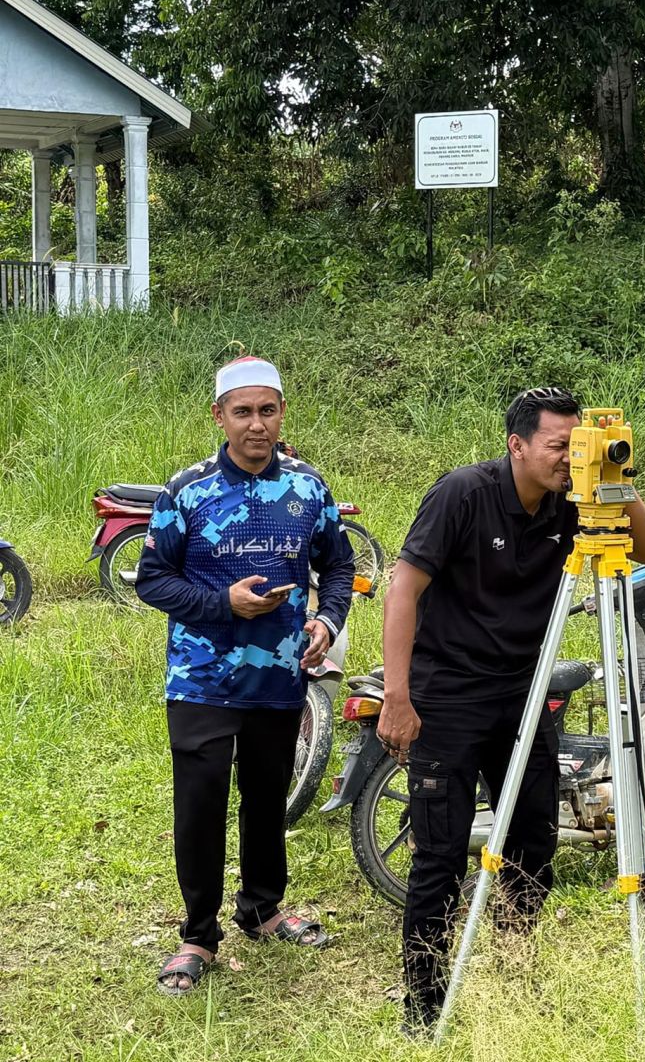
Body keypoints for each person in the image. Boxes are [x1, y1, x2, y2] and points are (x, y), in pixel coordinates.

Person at [378, 386, 645, 1031]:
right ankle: (423, 1004)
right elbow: (403, 589)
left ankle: (516, 960)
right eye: (559, 446)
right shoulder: (463, 494)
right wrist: (398, 695)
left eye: (578, 445)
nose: (569, 459)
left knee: (534, 841)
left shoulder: (578, 501)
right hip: (448, 695)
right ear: (518, 446)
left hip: (523, 695)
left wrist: (613, 476)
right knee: (441, 857)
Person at [136, 356, 355, 995]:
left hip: (280, 675)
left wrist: (327, 620)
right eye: (242, 412)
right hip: (201, 677)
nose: (256, 424)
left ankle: (261, 907)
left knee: (267, 795)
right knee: (200, 803)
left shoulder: (309, 490)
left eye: (267, 410)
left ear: (282, 412)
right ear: (219, 416)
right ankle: (198, 933)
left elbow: (336, 566)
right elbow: (153, 577)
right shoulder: (187, 492)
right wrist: (221, 606)